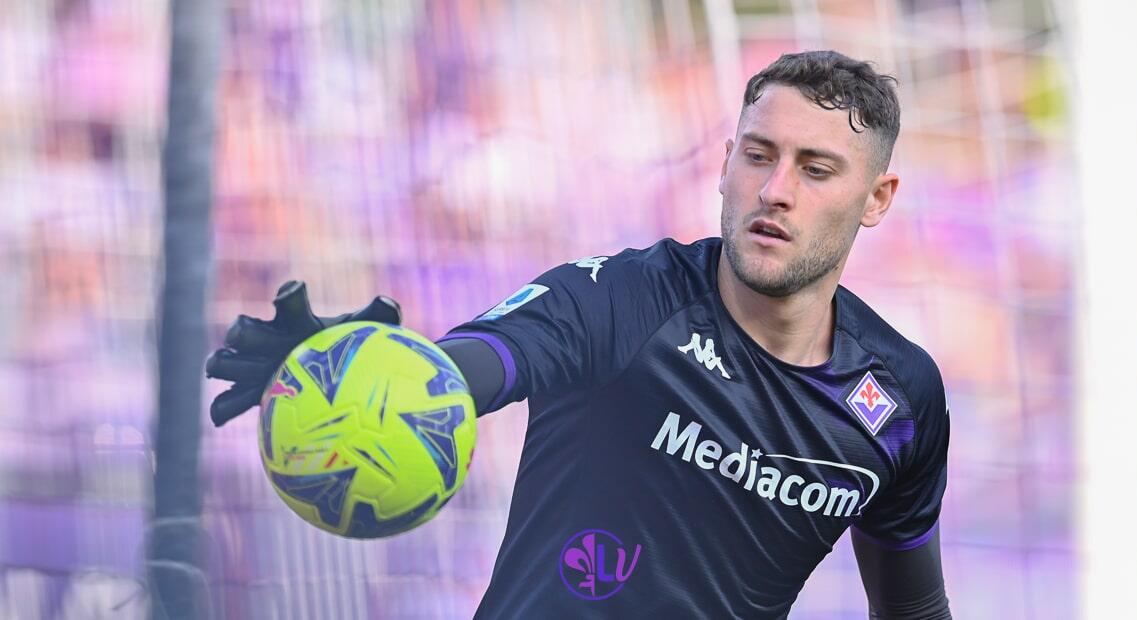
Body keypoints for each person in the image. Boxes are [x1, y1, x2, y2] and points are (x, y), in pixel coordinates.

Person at [207, 50, 953, 619]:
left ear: (876, 199)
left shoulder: (901, 398)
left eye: (815, 168)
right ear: (726, 164)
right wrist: (382, 366)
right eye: (758, 154)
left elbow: (914, 609)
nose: (774, 190)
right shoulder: (621, 300)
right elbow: (479, 367)